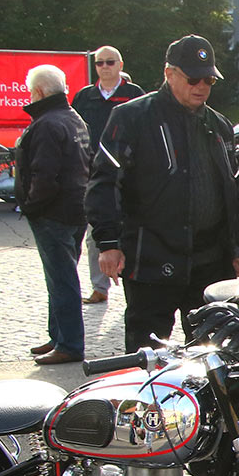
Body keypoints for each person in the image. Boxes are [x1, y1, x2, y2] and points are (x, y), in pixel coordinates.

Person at [86, 34, 239, 353]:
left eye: (209, 79)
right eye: (193, 78)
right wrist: (107, 243)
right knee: (146, 355)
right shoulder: (132, 117)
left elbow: (231, 193)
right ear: (169, 73)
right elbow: (104, 183)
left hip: (209, 262)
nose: (201, 86)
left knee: (214, 355)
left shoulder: (219, 126)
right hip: (151, 259)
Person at [16, 64, 91, 366]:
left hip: (53, 211)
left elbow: (44, 174)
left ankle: (69, 343)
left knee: (61, 278)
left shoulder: (46, 124)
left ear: (39, 92)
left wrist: (31, 205)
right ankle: (59, 335)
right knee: (60, 276)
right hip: (77, 207)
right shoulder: (74, 118)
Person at [71, 45, 144, 305]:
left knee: (131, 232)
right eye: (99, 63)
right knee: (96, 235)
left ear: (120, 65)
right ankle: (99, 287)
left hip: (128, 176)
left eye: (110, 62)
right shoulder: (84, 96)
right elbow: (75, 132)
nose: (104, 67)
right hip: (95, 174)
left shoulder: (134, 95)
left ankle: (133, 287)